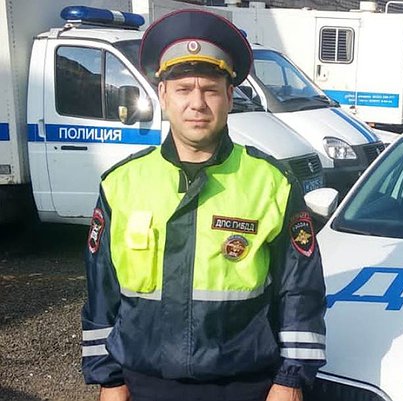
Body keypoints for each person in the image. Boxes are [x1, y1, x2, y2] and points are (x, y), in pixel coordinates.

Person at [80, 10, 326, 401]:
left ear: (229, 97)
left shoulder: (271, 182)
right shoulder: (120, 184)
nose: (197, 103)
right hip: (145, 385)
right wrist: (108, 380)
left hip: (245, 387)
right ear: (163, 96)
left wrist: (290, 380)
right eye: (183, 89)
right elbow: (101, 292)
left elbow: (300, 290)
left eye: (210, 90)